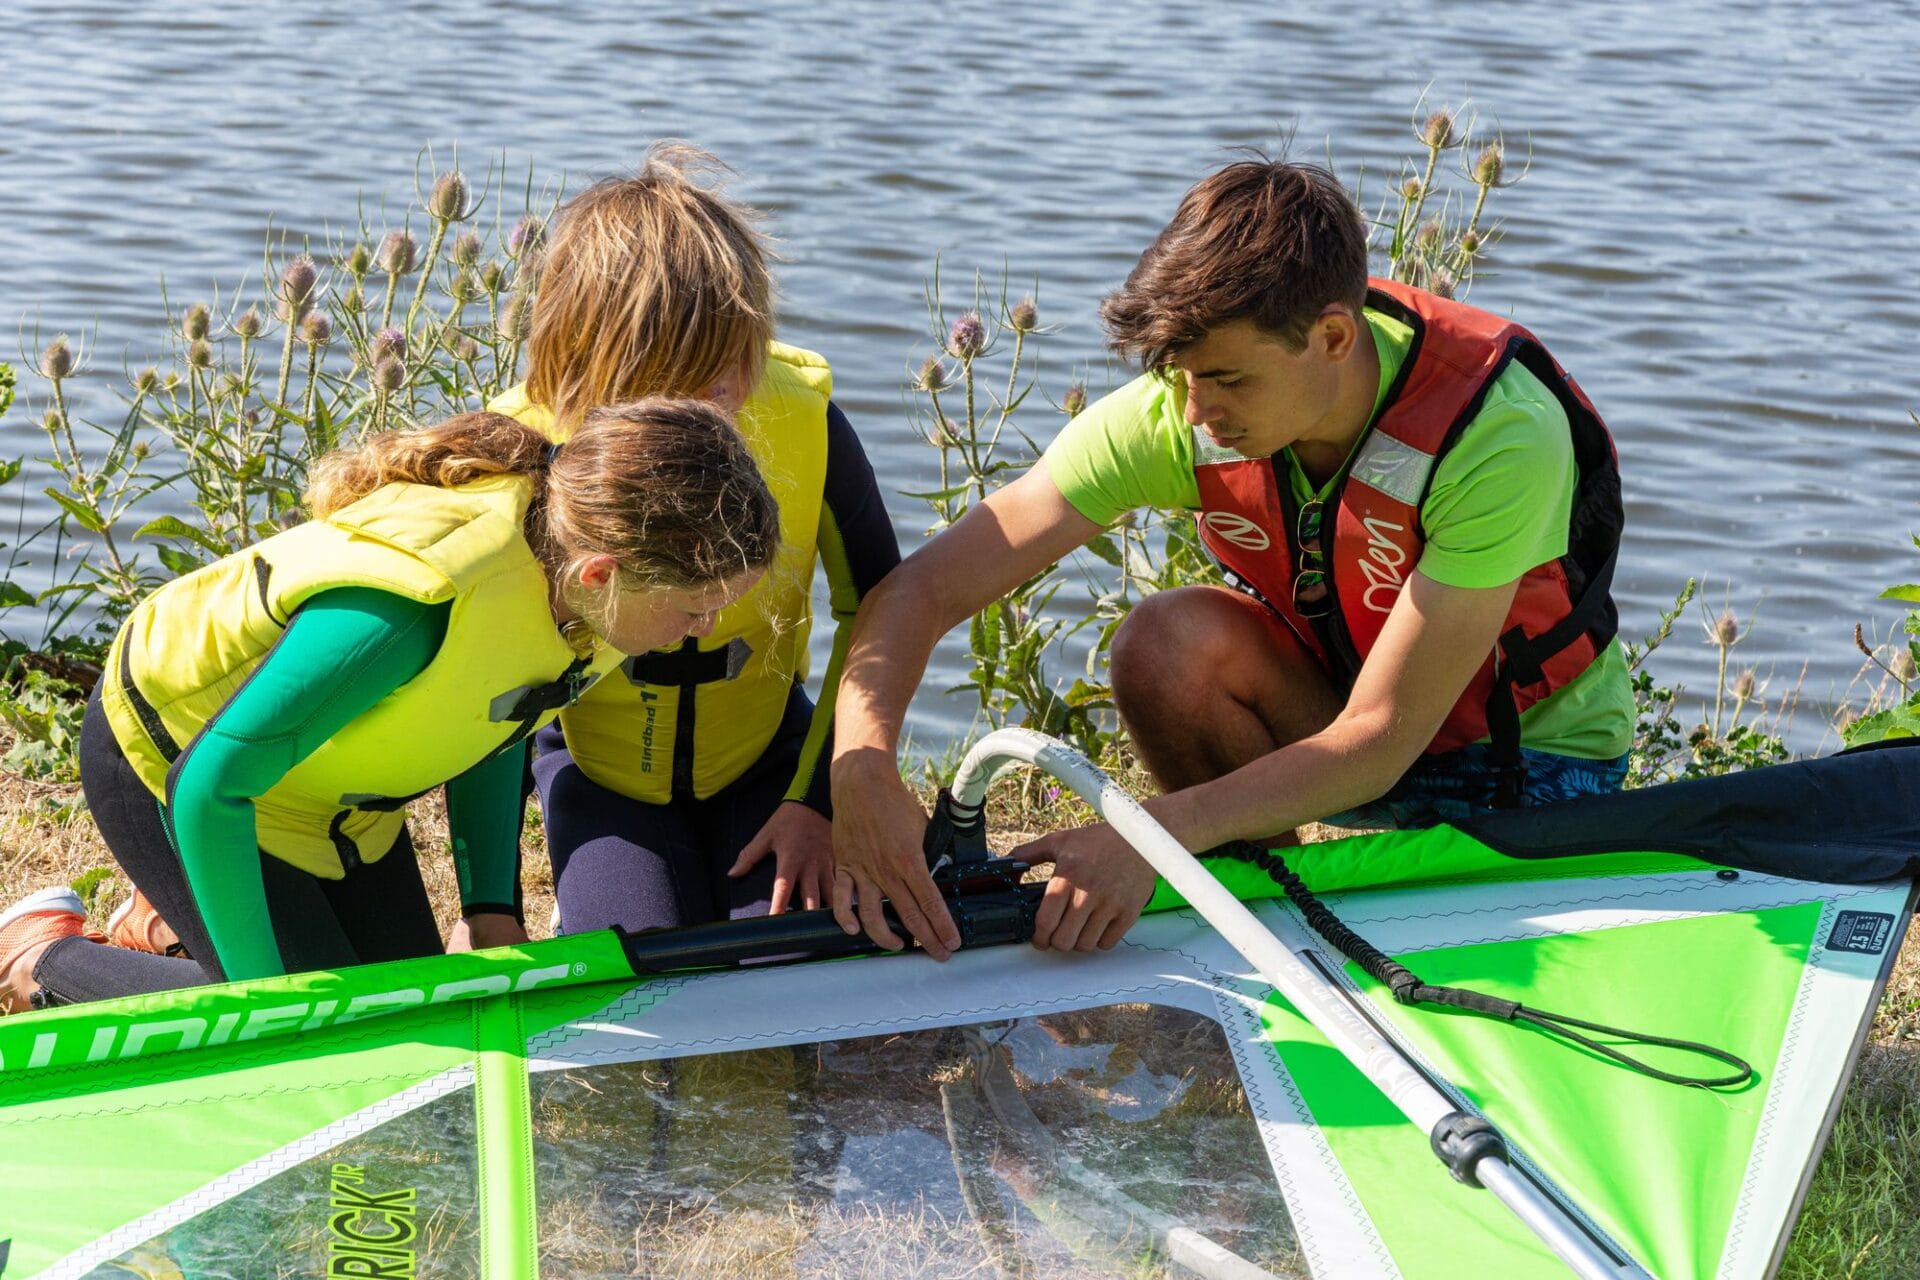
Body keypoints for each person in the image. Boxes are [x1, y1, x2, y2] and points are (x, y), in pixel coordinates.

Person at [829, 157, 1633, 961]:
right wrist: (859, 767)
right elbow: (924, 588)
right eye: (1179, 376)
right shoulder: (1185, 407)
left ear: (1332, 338)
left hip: (1522, 756)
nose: (1194, 413)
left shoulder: (1497, 431)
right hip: (1337, 729)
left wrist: (1149, 836)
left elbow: (1381, 738)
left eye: (1226, 380)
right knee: (1163, 643)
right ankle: (1274, 898)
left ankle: (1274, 895)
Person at [0, 399, 778, 1012]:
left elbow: (505, 713)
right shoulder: (415, 604)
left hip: (323, 797)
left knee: (413, 1016)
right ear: (603, 573)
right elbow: (209, 786)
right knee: (315, 1033)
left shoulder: (584, 585)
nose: (704, 629)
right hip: (176, 762)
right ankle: (40, 959)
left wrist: (489, 906)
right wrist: (269, 1003)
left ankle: (171, 925)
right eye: (697, 607)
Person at [486, 144, 899, 936]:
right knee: (638, 966)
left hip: (770, 761)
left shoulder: (808, 423)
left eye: (736, 365)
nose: (725, 398)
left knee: (789, 955)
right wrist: (491, 906)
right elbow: (486, 690)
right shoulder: (523, 453)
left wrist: (821, 800)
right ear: (597, 371)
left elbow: (881, 608)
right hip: (598, 772)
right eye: (694, 379)